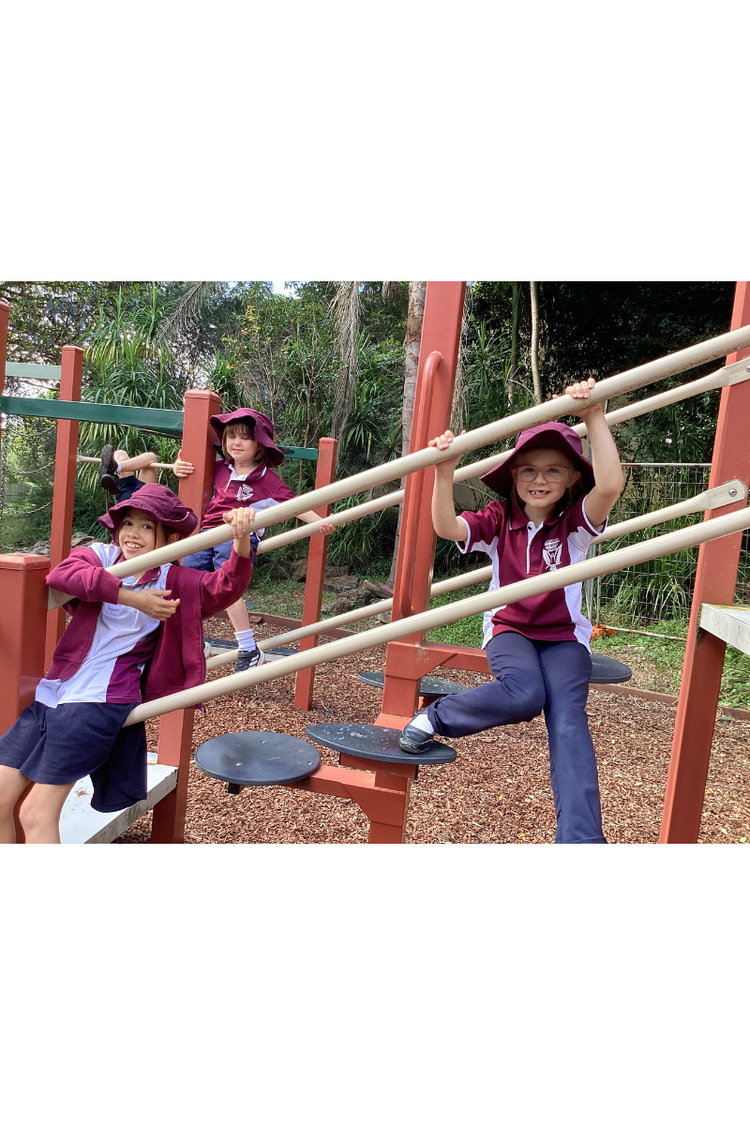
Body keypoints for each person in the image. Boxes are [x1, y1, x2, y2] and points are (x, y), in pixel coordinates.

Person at [399, 378, 623, 844]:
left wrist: (595, 416)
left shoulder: (576, 525)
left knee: (568, 720)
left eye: (554, 471)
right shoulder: (500, 520)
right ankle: (434, 718)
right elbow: (445, 526)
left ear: (571, 480)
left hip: (564, 637)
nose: (540, 481)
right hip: (511, 631)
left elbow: (611, 485)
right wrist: (444, 472)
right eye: (529, 471)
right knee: (525, 695)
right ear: (514, 476)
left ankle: (581, 841)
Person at [0, 484, 256, 844]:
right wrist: (132, 598)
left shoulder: (172, 580)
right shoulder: (104, 556)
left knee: (35, 813)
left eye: (146, 526)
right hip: (54, 691)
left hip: (98, 701)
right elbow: (61, 576)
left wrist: (241, 541)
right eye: (128, 523)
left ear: (168, 536)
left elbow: (225, 586)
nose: (132, 534)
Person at [173, 408, 335, 673]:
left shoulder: (266, 481)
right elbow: (188, 470)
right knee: (186, 580)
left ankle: (248, 647)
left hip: (239, 535)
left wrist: (318, 522)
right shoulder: (219, 469)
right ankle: (193, 640)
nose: (236, 443)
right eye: (231, 437)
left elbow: (293, 505)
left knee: (227, 581)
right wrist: (179, 466)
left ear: (259, 445)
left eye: (245, 438)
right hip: (209, 532)